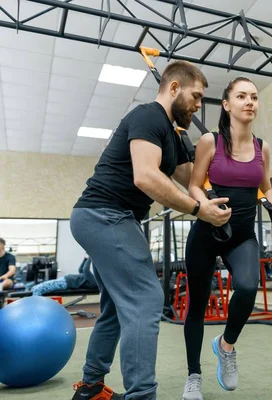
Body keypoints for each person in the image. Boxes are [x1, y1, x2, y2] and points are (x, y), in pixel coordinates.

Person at [69, 60, 229, 400]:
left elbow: (192, 179)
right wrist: (199, 210)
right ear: (173, 88)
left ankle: (90, 387)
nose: (199, 105)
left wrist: (224, 186)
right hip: (104, 214)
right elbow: (146, 176)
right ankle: (142, 395)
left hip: (112, 218)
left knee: (117, 305)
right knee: (145, 299)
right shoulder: (148, 116)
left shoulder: (172, 133)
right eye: (196, 96)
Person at [181, 76, 272, 400]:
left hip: (243, 235)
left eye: (254, 97)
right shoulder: (209, 142)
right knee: (197, 306)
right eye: (241, 96)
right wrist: (205, 207)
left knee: (246, 287)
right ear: (226, 104)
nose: (250, 102)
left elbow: (266, 187)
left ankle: (225, 346)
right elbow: (193, 185)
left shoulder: (262, 147)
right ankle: (193, 376)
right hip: (206, 233)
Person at [30, 257, 98, 296]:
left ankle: (36, 305)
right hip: (65, 280)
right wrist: (85, 258)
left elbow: (86, 270)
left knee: (38, 289)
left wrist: (90, 256)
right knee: (36, 288)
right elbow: (81, 270)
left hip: (65, 283)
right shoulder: (92, 278)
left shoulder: (95, 282)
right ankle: (35, 302)